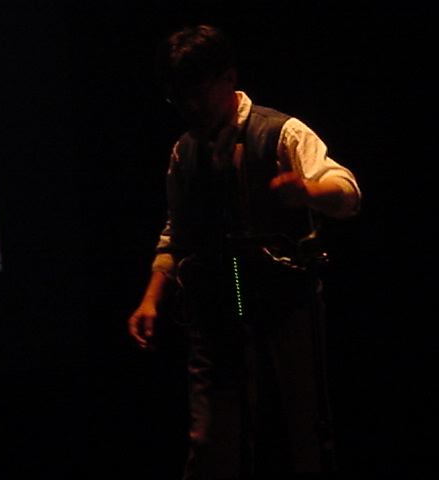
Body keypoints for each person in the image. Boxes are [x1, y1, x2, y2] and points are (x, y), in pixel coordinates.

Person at [128, 24, 361, 477]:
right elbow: (178, 232)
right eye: (178, 97)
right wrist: (151, 297)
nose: (190, 107)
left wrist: (309, 191)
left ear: (228, 78)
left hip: (286, 306)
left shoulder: (280, 132)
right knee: (210, 442)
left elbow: (347, 191)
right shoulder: (185, 151)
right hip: (217, 307)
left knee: (302, 431)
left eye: (198, 92)